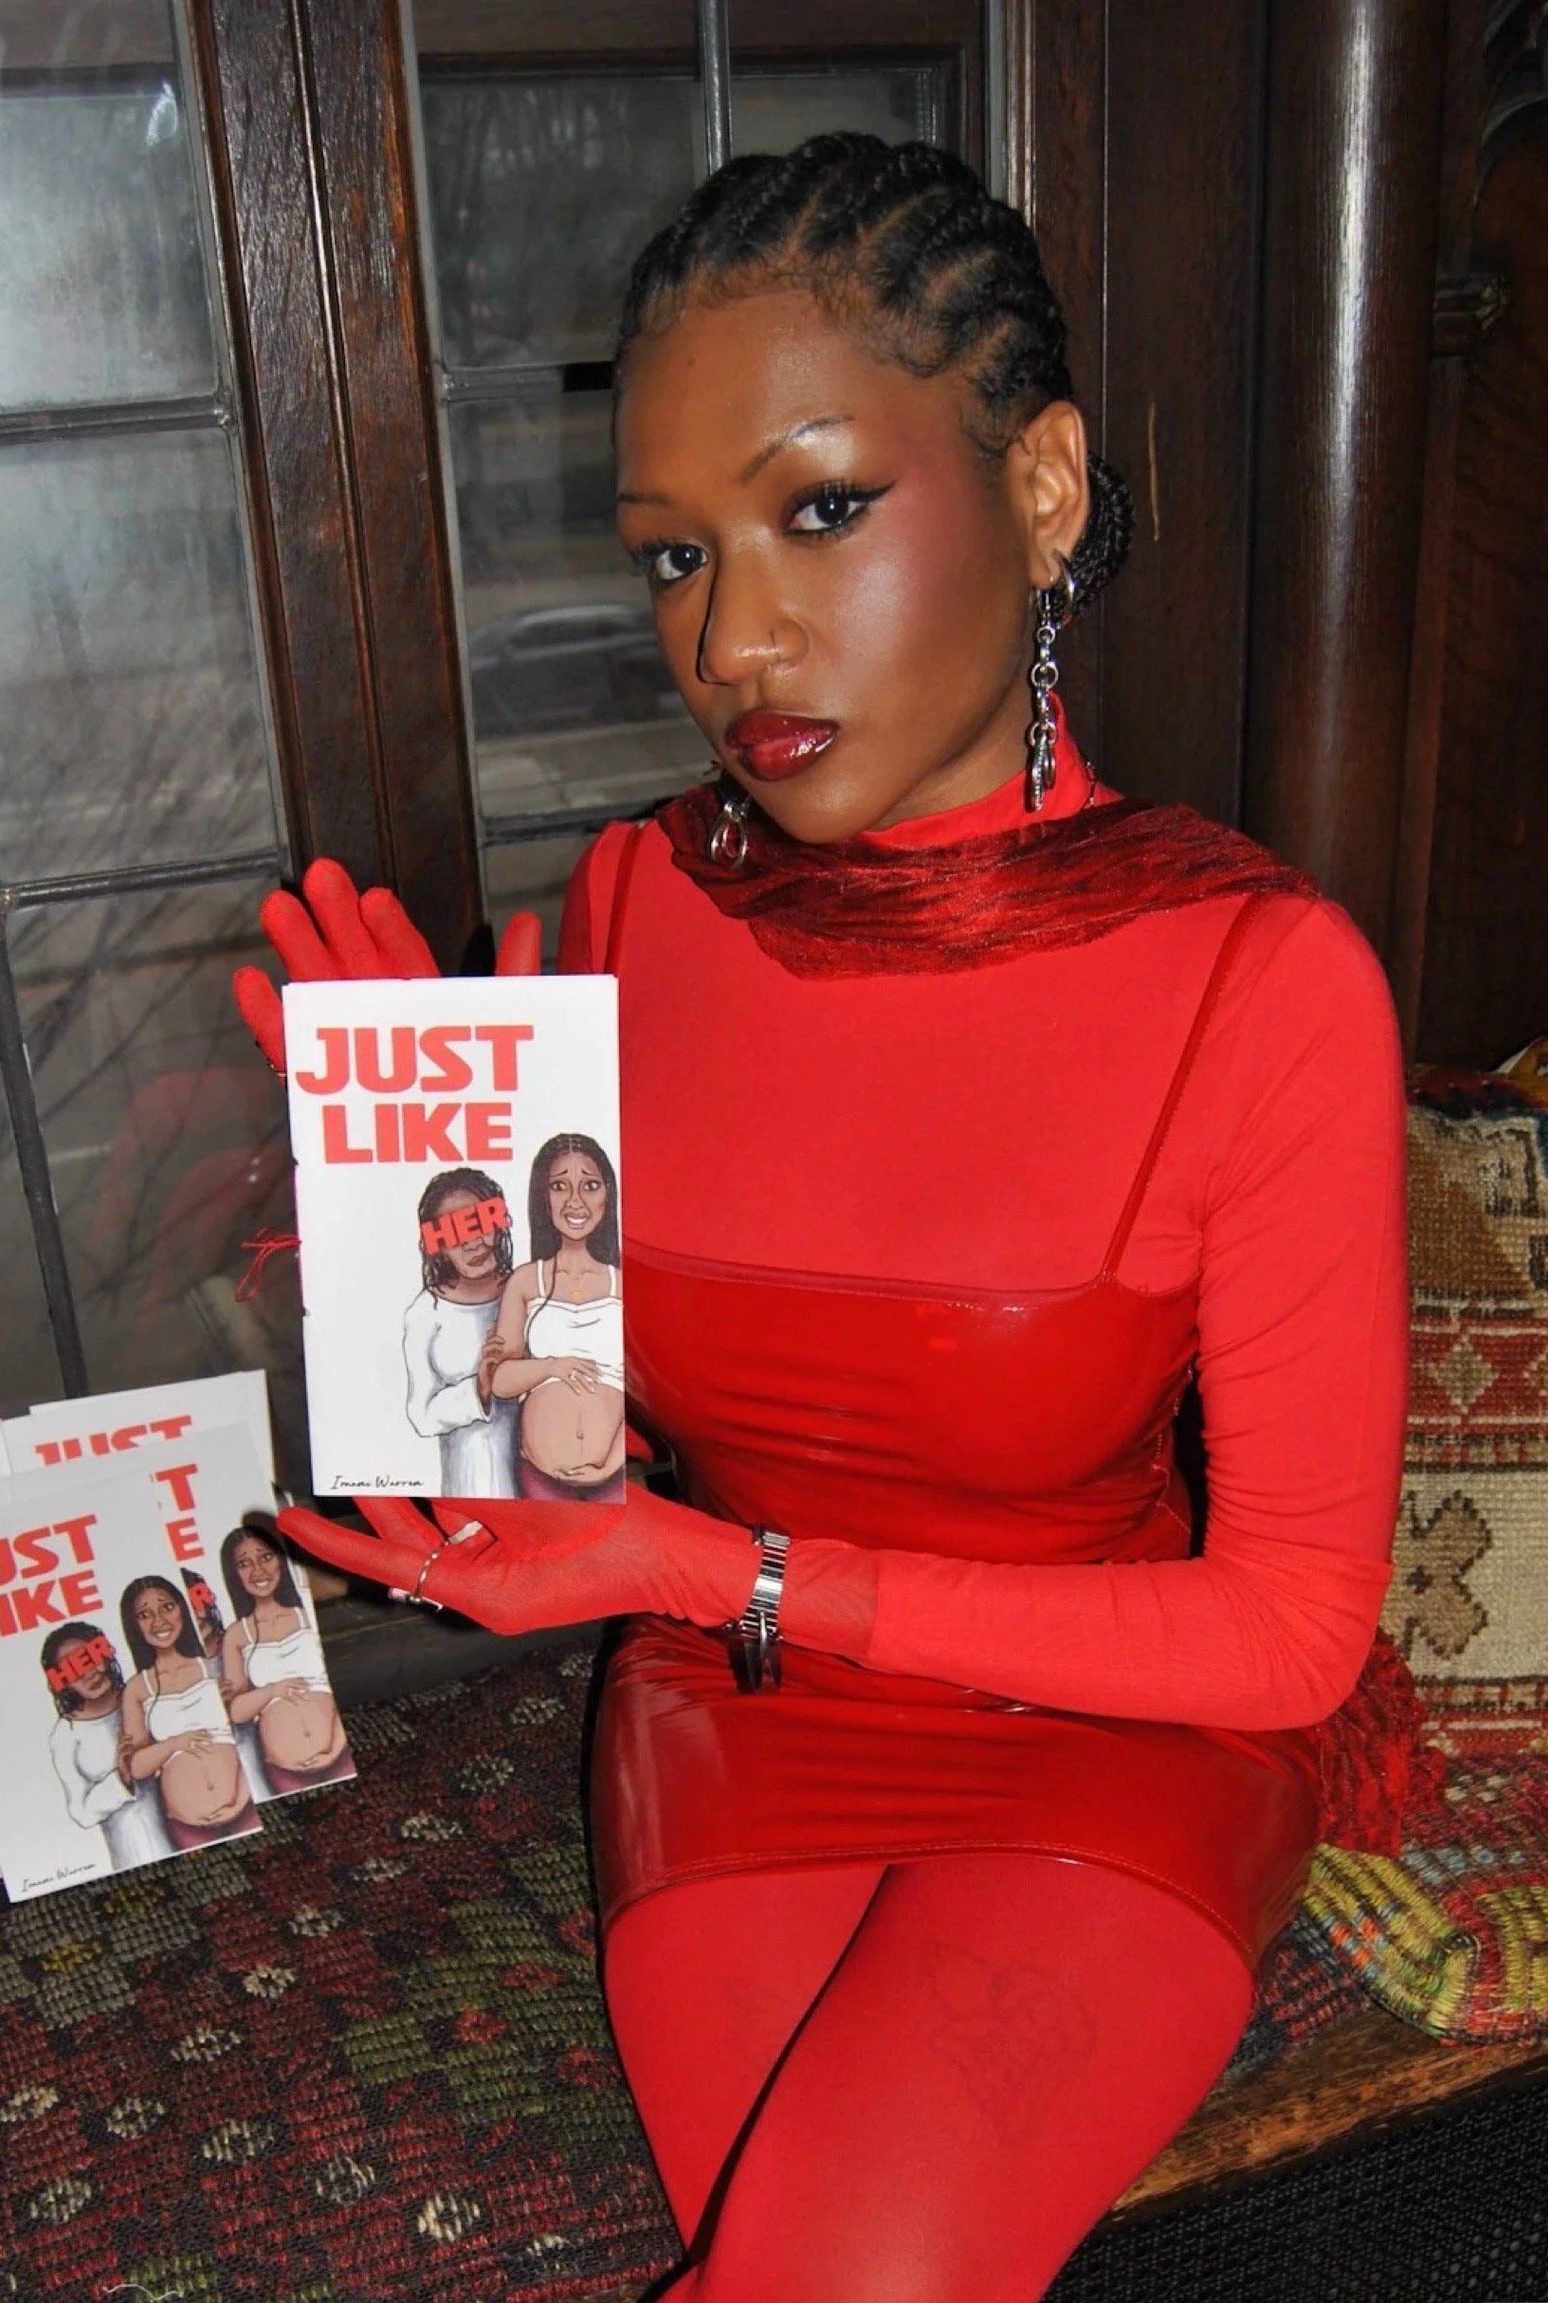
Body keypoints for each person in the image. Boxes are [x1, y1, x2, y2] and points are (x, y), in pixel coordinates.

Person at [239, 134, 1411, 2303]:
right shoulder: (632, 899)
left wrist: (718, 1564)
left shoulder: (1263, 977)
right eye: (673, 555)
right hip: (742, 1710)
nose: (732, 636)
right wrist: (426, 1190)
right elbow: (568, 1437)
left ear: (1041, 488)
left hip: (1122, 1716)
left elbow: (1288, 1633)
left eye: (821, 509)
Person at [485, 1134, 626, 1501]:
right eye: (559, 1186)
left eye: (590, 1186)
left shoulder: (624, 1283)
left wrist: (613, 1462)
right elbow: (500, 1380)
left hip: (614, 1475)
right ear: (542, 1196)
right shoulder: (525, 1281)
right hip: (541, 1477)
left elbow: (645, 1393)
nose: (575, 1201)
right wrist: (552, 1366)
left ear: (608, 1193)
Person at [401, 1165, 523, 1496]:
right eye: (453, 1233)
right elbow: (421, 1415)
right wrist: (479, 1387)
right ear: (436, 1244)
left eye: (479, 1223)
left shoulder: (529, 1289)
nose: (472, 1243)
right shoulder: (426, 1313)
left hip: (542, 1475)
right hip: (471, 1484)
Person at [117, 1575, 257, 1851]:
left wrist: (243, 1795)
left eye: (167, 1607)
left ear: (183, 1608)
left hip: (243, 1805)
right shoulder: (137, 1688)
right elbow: (139, 1765)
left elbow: (245, 1726)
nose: (158, 1621)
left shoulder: (211, 1666)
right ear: (134, 1626)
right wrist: (175, 1744)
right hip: (186, 1826)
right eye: (144, 1615)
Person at [217, 1523, 356, 1794]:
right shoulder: (237, 1634)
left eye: (266, 1557)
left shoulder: (304, 1614)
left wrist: (336, 1745)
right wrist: (274, 1690)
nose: (258, 1570)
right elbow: (238, 1711)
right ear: (234, 1573)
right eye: (244, 1563)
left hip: (339, 1749)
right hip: (282, 1769)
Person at [40, 1619, 173, 1870]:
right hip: (134, 1853)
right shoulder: (66, 1735)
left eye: (91, 1658)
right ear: (61, 1681)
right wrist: (121, 1778)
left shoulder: (141, 1694)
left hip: (188, 1823)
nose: (89, 1673)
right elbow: (81, 1812)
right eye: (73, 1669)